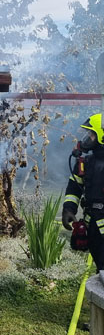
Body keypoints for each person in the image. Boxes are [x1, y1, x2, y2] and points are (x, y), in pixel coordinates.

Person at [62, 113, 104, 272]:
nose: (87, 138)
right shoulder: (85, 163)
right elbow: (73, 188)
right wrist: (69, 209)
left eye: (92, 134)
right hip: (92, 224)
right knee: (100, 269)